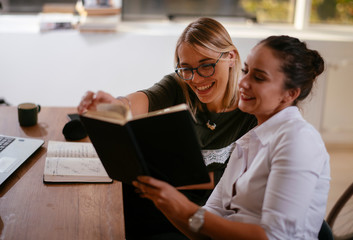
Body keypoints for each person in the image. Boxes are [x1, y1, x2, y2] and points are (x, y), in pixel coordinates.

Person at [132, 35, 331, 240]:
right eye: (246, 71)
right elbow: (206, 220)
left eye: (259, 77)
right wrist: (164, 201)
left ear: (290, 94)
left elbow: (274, 237)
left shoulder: (298, 141)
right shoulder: (248, 141)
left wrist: (183, 209)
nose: (243, 82)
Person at [78, 17, 257, 239]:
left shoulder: (251, 112)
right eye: (186, 68)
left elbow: (235, 189)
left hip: (197, 219)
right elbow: (142, 100)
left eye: (206, 66)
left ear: (231, 57)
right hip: (154, 203)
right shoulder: (178, 85)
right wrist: (114, 105)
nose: (196, 79)